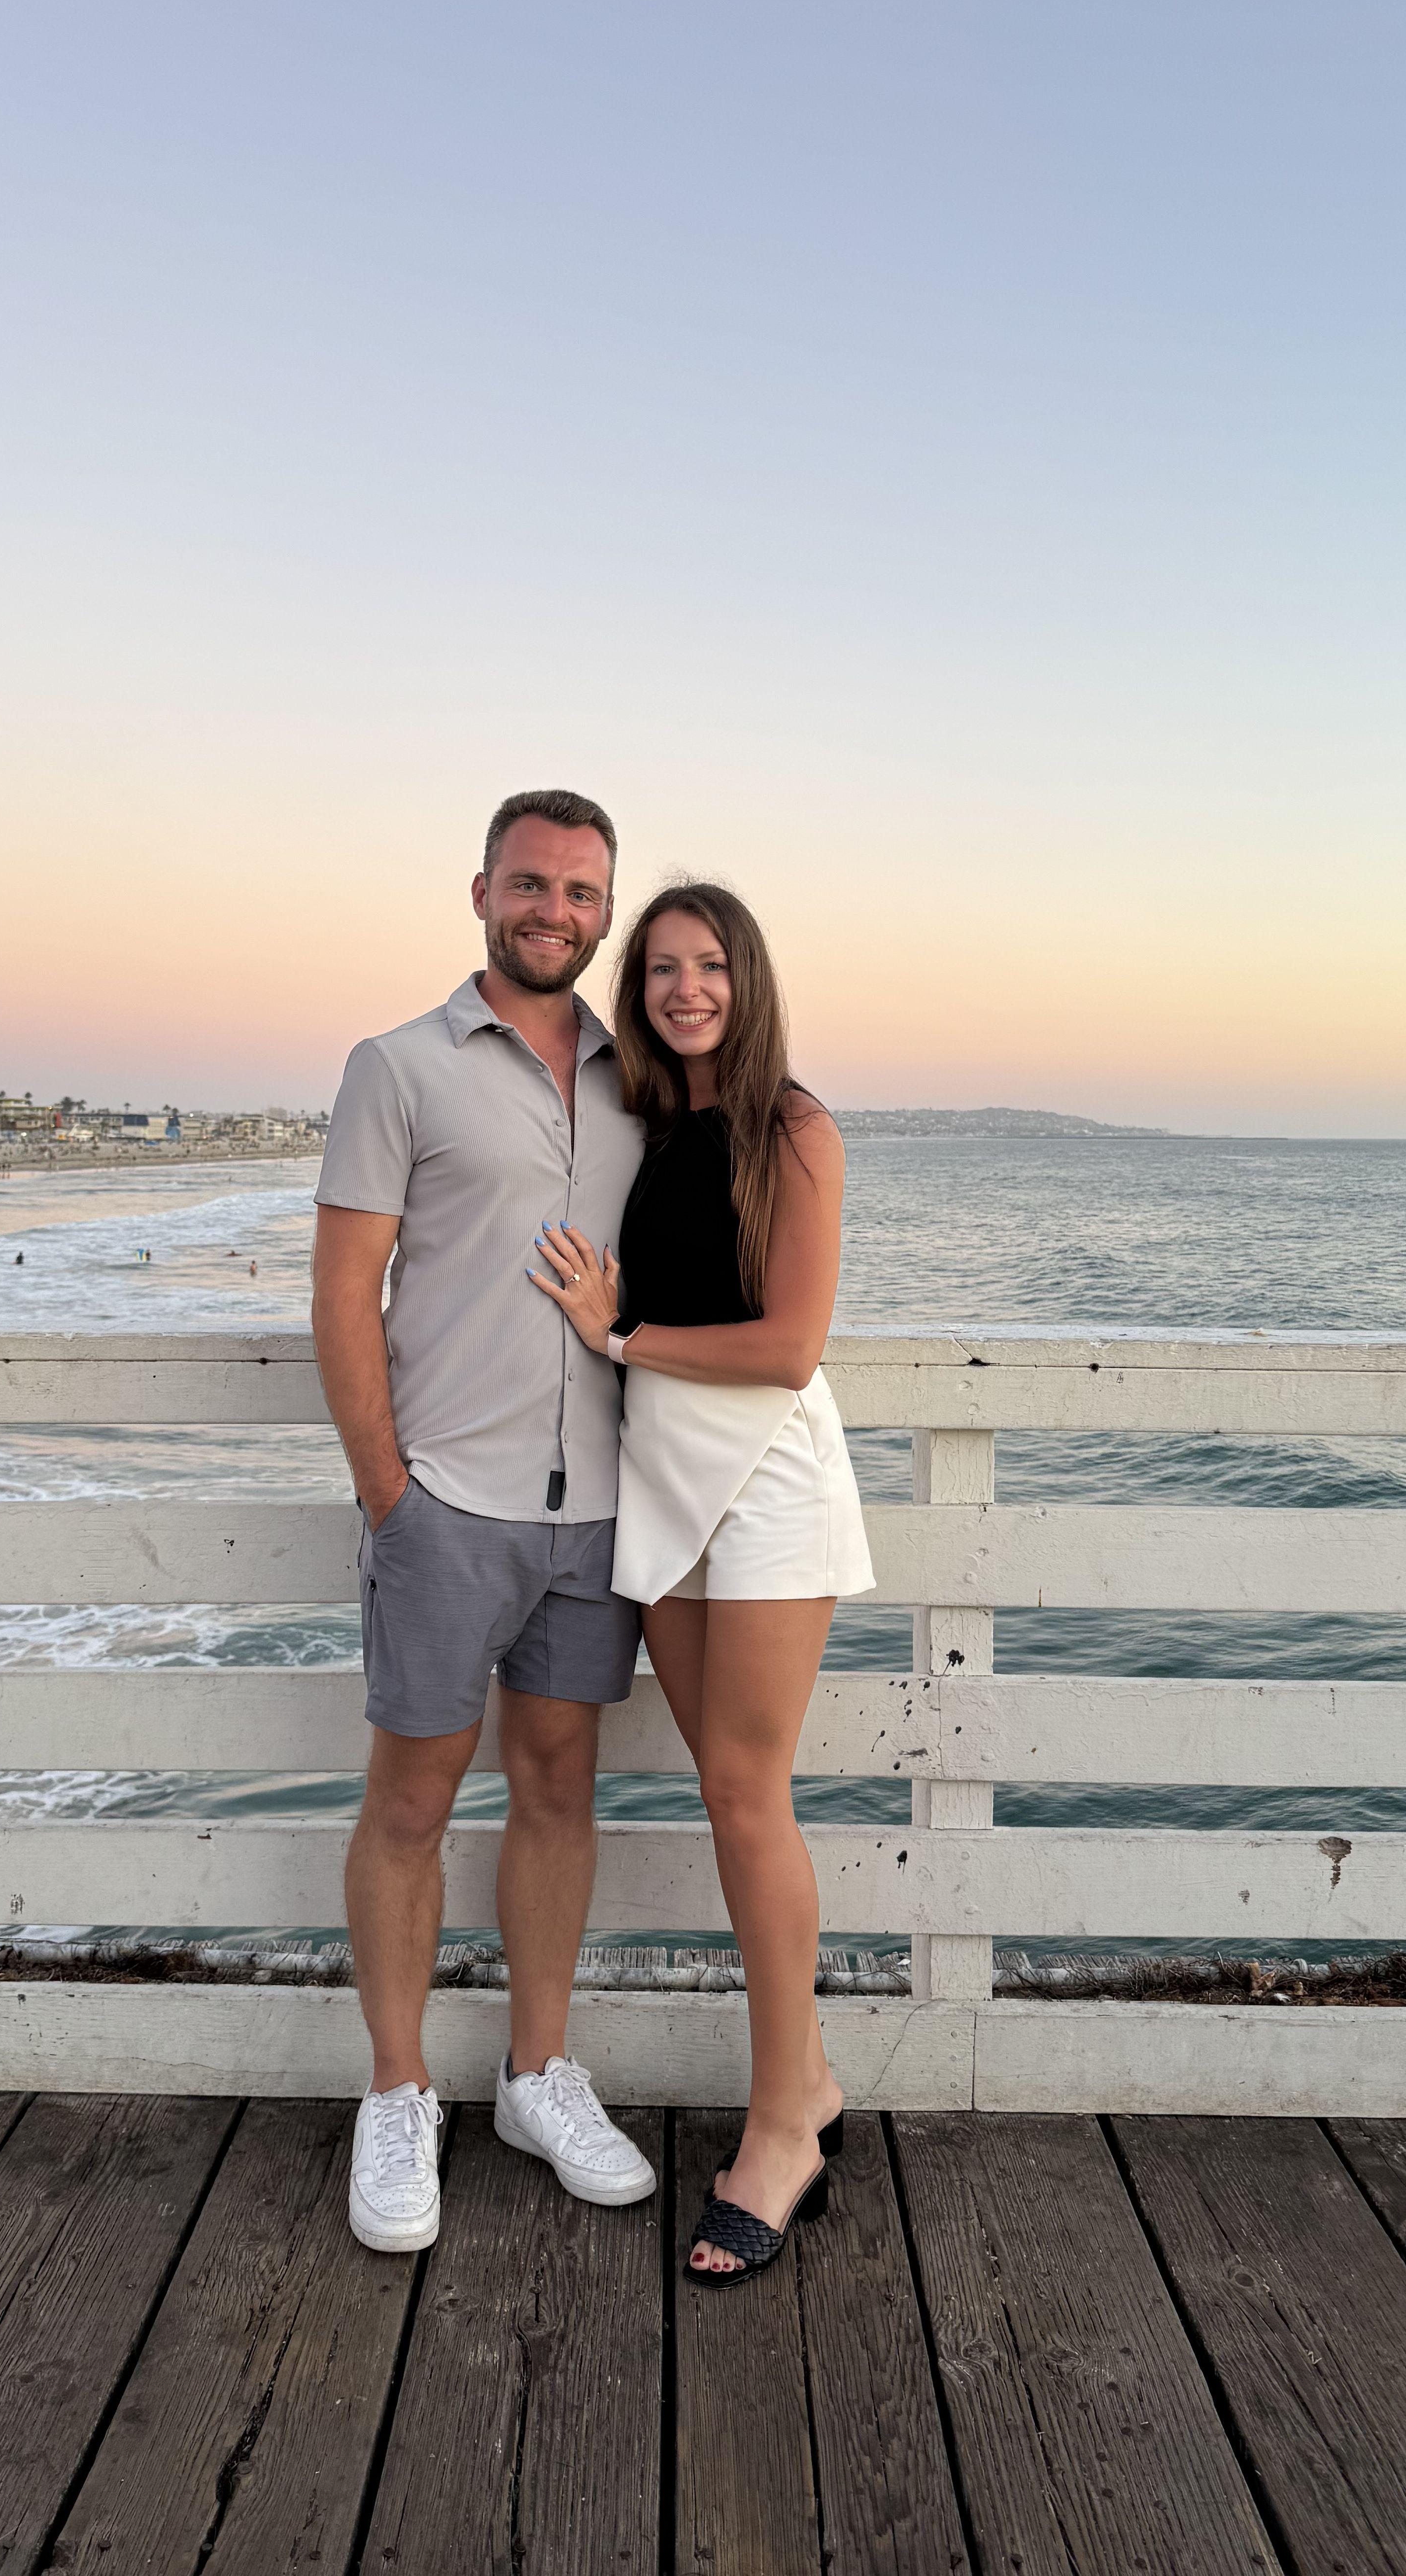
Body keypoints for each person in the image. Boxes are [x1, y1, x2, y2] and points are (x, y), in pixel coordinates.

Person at [312, 788, 655, 2253]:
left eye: (583, 893)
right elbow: (342, 1297)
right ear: (481, 893)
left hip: (600, 1515)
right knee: (410, 1806)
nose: (556, 912)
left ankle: (536, 2073)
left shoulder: (646, 1077)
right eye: (532, 885)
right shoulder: (398, 1067)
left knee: (561, 1795)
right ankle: (399, 2092)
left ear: (606, 908)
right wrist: (389, 1491)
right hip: (449, 1503)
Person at [528, 879, 871, 2287]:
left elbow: (790, 1346)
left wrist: (620, 1339)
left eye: (710, 965)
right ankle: (816, 2081)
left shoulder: (793, 1126)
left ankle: (784, 2120)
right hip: (662, 1475)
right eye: (661, 967)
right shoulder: (646, 1128)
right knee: (727, 1788)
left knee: (747, 1793)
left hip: (770, 1472)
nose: (684, 989)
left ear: (749, 978)